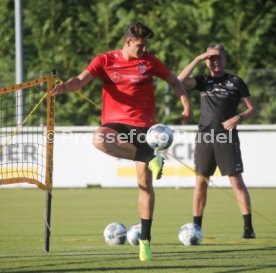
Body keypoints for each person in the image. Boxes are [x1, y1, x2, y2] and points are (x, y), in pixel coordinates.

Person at [52, 22, 192, 261]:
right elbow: (80, 79)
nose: (144, 48)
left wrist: (186, 107)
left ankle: (145, 240)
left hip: (144, 128)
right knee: (99, 139)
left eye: (146, 44)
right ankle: (150, 157)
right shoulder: (105, 60)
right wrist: (65, 87)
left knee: (144, 184)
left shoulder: (150, 61)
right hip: (116, 123)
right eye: (140, 44)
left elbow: (175, 82)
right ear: (128, 41)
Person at [178, 44, 256, 239]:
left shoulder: (236, 82)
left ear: (225, 59)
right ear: (206, 62)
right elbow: (179, 81)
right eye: (211, 58)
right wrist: (197, 58)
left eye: (218, 57)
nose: (215, 61)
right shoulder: (203, 81)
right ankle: (196, 228)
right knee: (200, 183)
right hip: (204, 137)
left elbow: (252, 108)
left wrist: (239, 117)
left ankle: (248, 227)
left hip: (226, 138)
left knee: (236, 182)